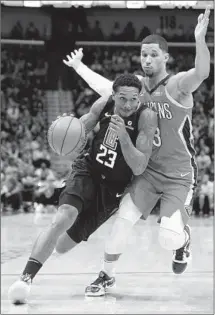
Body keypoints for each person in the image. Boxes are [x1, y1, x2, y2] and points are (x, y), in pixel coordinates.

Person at [62, 8, 211, 296]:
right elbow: (106, 88)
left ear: (165, 57)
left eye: (153, 54)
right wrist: (79, 67)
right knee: (123, 219)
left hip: (179, 175)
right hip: (147, 171)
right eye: (143, 54)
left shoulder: (177, 85)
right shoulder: (135, 89)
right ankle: (106, 275)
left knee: (168, 237)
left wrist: (199, 38)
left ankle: (183, 240)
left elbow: (202, 72)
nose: (147, 59)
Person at [8, 74, 158, 304]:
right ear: (113, 95)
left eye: (133, 99)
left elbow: (139, 167)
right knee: (63, 217)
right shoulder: (103, 104)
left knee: (62, 245)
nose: (128, 104)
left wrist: (124, 137)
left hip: (112, 190)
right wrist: (66, 133)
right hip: (88, 170)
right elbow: (80, 129)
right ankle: (25, 279)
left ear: (140, 98)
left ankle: (45, 245)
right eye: (122, 99)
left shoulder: (146, 117)